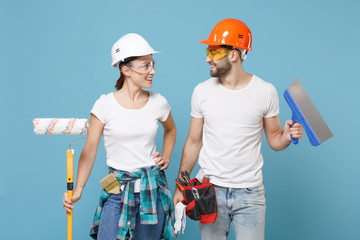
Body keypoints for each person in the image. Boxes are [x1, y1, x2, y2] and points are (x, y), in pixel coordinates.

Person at [172, 19, 304, 240]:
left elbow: (274, 138)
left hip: (250, 194)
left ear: (234, 54)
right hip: (210, 191)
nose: (207, 59)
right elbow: (193, 142)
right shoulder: (202, 92)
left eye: (213, 53)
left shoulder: (265, 91)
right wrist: (180, 185)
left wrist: (288, 136)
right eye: (208, 52)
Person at [63, 33, 177, 240]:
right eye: (145, 66)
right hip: (116, 189)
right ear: (126, 70)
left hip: (151, 190)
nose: (153, 71)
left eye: (152, 64)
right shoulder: (104, 105)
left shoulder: (159, 102)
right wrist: (78, 189)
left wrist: (167, 156)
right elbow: (89, 149)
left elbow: (171, 130)